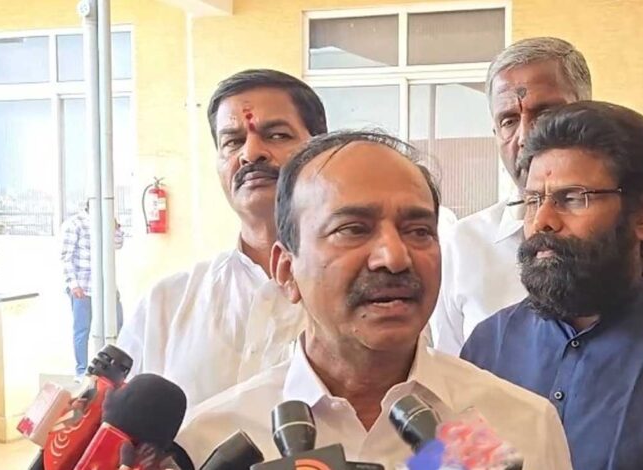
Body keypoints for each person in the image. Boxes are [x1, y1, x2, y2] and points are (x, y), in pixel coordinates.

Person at [176, 130, 572, 470]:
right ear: (286, 270)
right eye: (353, 229)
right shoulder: (211, 440)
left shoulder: (522, 425)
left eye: (418, 231)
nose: (394, 258)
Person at [461, 101, 643, 470]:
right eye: (533, 200)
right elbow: (445, 461)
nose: (542, 221)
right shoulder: (487, 346)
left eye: (572, 198)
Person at [432, 37, 643, 354]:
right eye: (509, 120)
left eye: (546, 113)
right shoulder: (461, 246)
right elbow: (449, 373)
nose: (526, 136)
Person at [117, 69, 327, 408]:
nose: (251, 153)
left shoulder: (364, 301)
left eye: (276, 135)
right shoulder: (166, 305)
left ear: (320, 153)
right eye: (232, 142)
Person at [60, 200, 124, 380]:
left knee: (118, 323)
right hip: (83, 286)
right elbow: (66, 257)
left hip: (106, 286)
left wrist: (115, 226)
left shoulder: (107, 222)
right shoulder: (75, 224)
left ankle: (110, 370)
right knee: (82, 330)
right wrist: (73, 284)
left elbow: (118, 244)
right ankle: (81, 371)